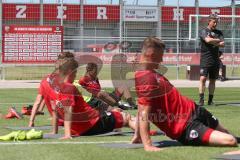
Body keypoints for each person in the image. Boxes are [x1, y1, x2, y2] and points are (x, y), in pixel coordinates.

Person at [132, 37, 237, 152]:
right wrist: (148, 145)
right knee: (230, 140)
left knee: (226, 133)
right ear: (151, 54)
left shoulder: (149, 72)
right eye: (160, 56)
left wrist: (137, 135)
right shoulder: (145, 78)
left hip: (195, 110)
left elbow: (141, 107)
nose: (162, 60)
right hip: (186, 127)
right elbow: (143, 112)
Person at [47, 58, 135, 138]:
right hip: (92, 123)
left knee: (115, 111)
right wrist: (67, 134)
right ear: (70, 71)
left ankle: (118, 121)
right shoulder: (70, 86)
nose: (75, 75)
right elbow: (68, 110)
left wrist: (56, 131)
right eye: (75, 72)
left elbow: (55, 110)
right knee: (127, 117)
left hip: (81, 127)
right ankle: (143, 135)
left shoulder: (54, 87)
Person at [28, 51, 75, 127]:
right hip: (72, 121)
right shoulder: (67, 82)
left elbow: (38, 102)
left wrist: (31, 122)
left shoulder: (45, 80)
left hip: (57, 121)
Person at [198, 13, 225, 106]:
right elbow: (207, 40)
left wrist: (213, 40)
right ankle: (201, 100)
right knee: (203, 78)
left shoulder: (219, 32)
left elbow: (223, 44)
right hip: (205, 59)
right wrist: (217, 40)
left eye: (216, 22)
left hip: (215, 60)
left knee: (213, 80)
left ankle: (210, 100)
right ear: (209, 21)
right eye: (214, 22)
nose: (215, 24)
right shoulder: (203, 31)